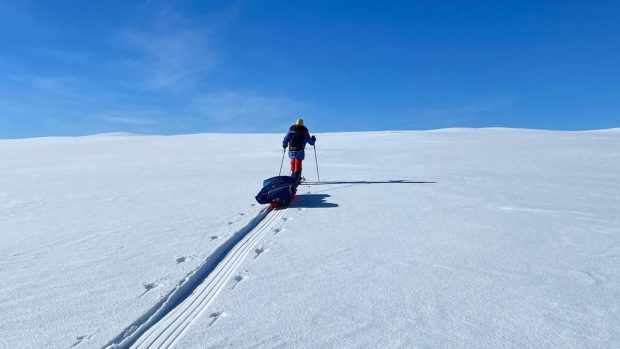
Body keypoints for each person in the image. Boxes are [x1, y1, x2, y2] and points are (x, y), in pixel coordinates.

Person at [282, 118, 316, 183]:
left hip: (291, 151)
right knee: (298, 162)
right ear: (302, 124)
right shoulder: (305, 132)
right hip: (300, 151)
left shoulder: (291, 130)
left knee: (293, 161)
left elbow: (286, 139)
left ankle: (293, 176)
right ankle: (296, 178)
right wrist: (313, 140)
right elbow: (311, 143)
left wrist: (284, 145)